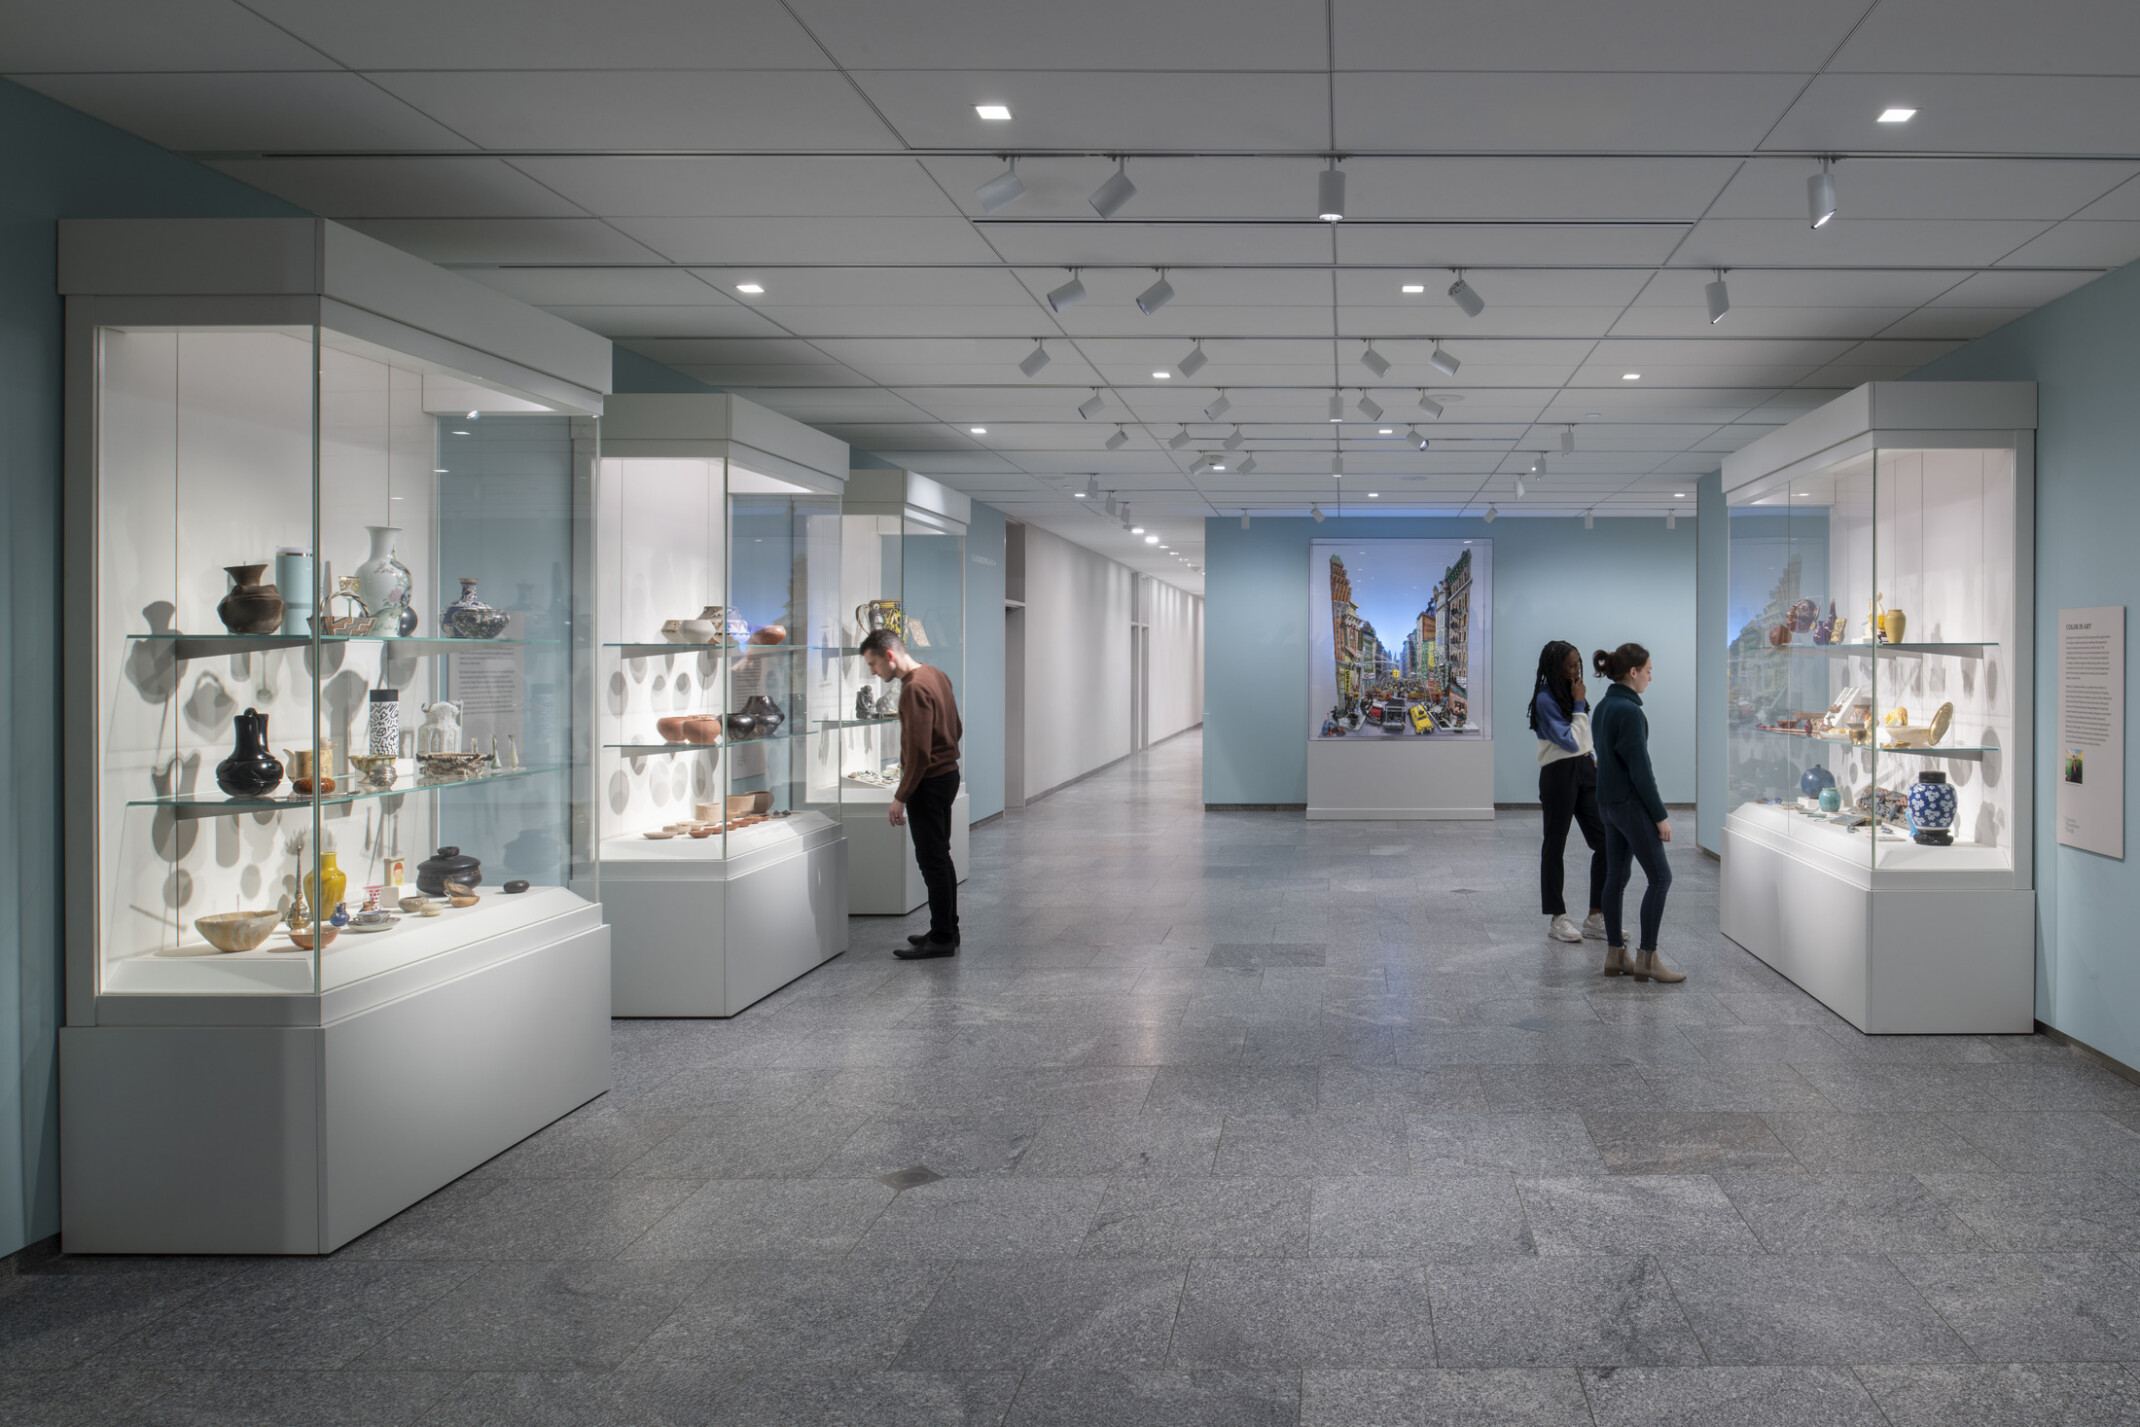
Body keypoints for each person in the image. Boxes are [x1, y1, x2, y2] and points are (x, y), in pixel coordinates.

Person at [860, 628, 963, 959]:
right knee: (940, 856)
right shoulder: (936, 675)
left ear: (889, 656)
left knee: (931, 860)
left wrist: (900, 796)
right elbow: (956, 728)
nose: (873, 672)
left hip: (928, 783)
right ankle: (946, 928)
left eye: (874, 664)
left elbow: (918, 753)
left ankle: (943, 936)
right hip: (946, 776)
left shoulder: (913, 689)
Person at [1590, 642, 1684, 983]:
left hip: (1608, 805)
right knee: (1660, 878)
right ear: (1633, 672)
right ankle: (1647, 958)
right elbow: (1640, 770)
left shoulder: (1602, 707)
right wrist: (1660, 815)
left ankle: (1615, 955)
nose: (1650, 678)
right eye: (1648, 671)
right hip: (1630, 805)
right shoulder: (1630, 712)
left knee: (1616, 878)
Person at [1528, 640, 1606, 945]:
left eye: (1579, 664)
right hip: (1559, 773)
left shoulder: (1572, 693)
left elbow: (1584, 737)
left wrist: (1594, 757)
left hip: (1585, 770)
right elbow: (1571, 741)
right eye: (1572, 664)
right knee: (1555, 844)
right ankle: (1557, 918)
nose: (1577, 670)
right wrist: (1578, 703)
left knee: (1606, 841)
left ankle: (1595, 916)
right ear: (1556, 666)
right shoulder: (1546, 699)